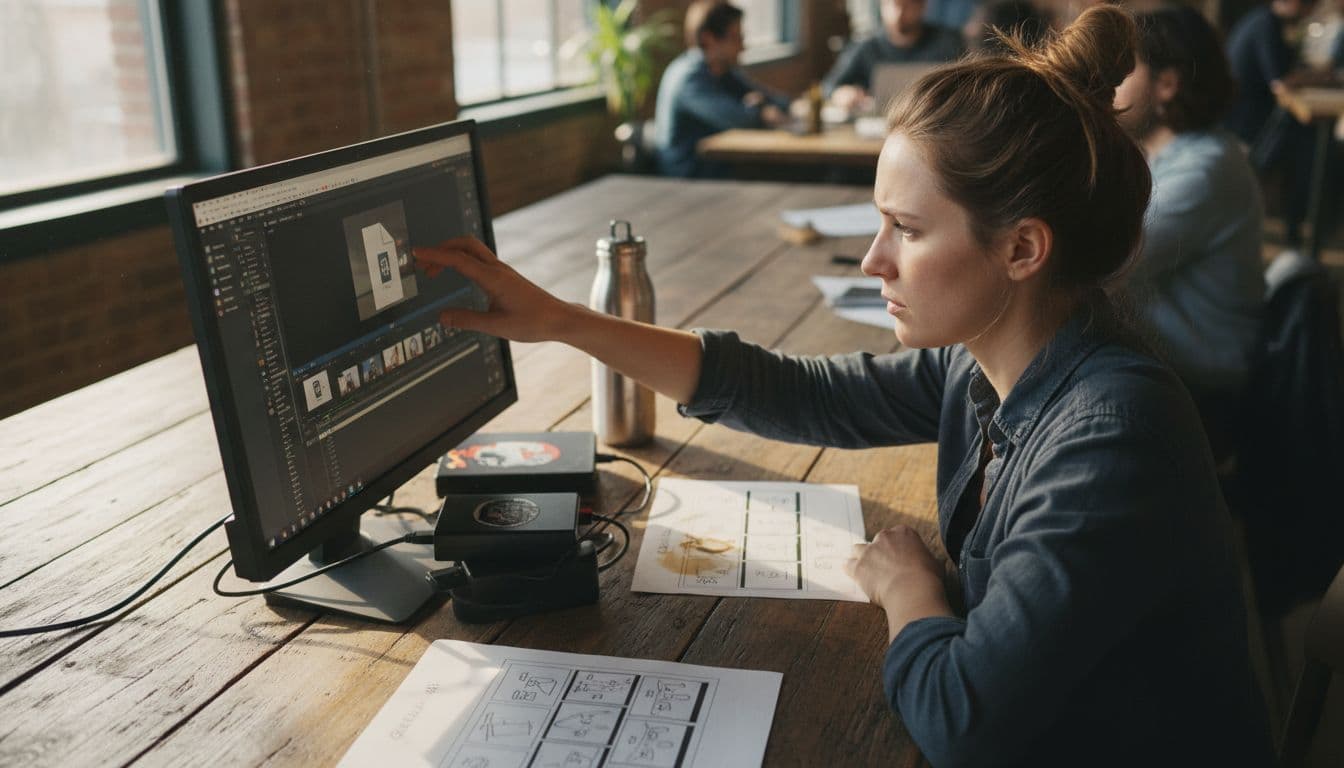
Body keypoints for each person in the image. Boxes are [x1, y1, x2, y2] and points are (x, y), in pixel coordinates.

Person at [416, 7, 1271, 765]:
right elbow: (801, 393)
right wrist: (566, 322)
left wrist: (909, 588)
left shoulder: (1109, 433)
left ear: (1022, 249)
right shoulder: (989, 357)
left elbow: (963, 722)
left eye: (905, 228)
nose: (874, 260)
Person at [1112, 6, 1265, 458]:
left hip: (1199, 395)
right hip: (1168, 371)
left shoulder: (1205, 169)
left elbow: (1104, 263)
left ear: (1167, 83)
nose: (1109, 83)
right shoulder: (1166, 155)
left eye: (1123, 69)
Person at [652, 1, 790, 178]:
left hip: (718, 167)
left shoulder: (722, 71)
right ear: (708, 39)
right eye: (736, 39)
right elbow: (739, 120)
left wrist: (766, 105)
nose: (743, 47)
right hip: (691, 176)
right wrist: (760, 110)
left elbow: (774, 100)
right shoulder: (689, 78)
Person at [1225, 0, 1318, 245]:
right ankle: (1297, 231)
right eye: (1310, 6)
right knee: (1307, 146)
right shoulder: (1266, 25)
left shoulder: (1262, 19)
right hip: (1245, 125)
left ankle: (1298, 230)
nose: (1311, 12)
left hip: (1246, 119)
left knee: (1306, 139)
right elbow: (1280, 82)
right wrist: (1320, 76)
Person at [823, 0, 964, 113]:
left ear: (922, 6)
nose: (898, 14)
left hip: (934, 125)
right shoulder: (866, 46)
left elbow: (968, 85)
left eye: (906, 6)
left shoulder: (948, 43)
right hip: (877, 125)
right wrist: (841, 94)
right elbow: (829, 86)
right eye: (892, 4)